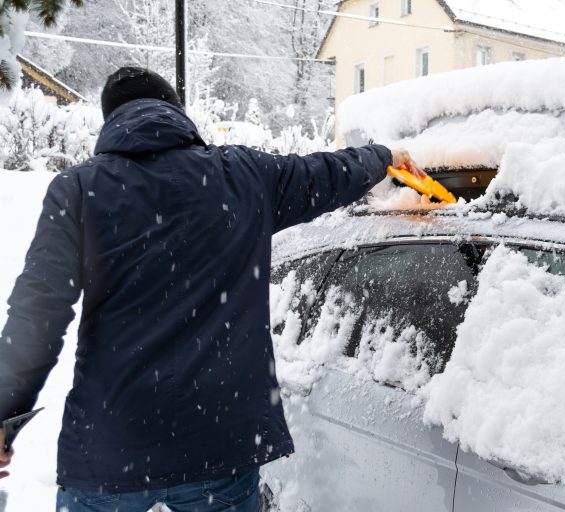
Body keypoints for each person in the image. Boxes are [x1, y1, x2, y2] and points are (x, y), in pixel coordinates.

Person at [0, 66, 424, 511]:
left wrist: (5, 414)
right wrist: (382, 156)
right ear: (176, 113)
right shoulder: (243, 175)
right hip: (220, 446)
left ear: (111, 123)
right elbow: (325, 173)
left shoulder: (78, 190)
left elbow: (37, 316)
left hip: (111, 449)